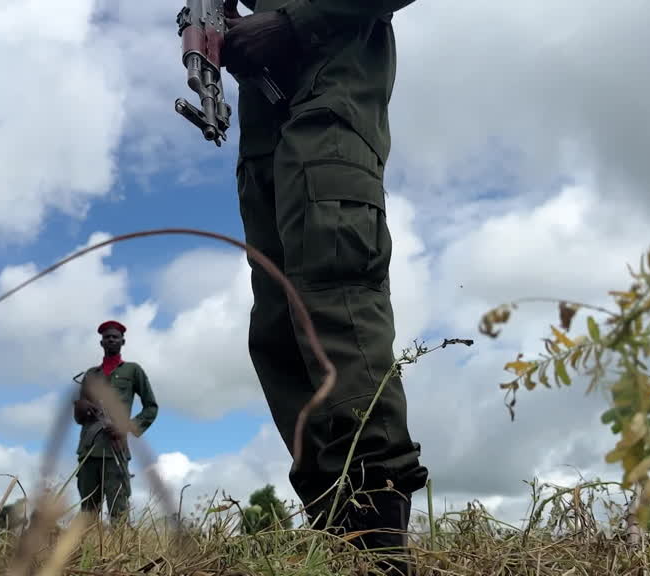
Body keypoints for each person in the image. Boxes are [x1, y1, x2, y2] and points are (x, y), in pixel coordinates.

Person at [221, 1, 427, 573]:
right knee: (279, 335)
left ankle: (379, 550)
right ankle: (339, 546)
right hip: (266, 147)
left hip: (328, 121)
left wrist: (290, 24)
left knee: (336, 313)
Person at [73, 320, 159, 523]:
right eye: (106, 337)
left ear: (123, 341)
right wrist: (81, 407)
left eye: (115, 337)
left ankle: (120, 555)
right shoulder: (90, 375)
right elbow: (78, 418)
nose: (111, 340)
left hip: (115, 449)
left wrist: (127, 426)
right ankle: (87, 554)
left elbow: (151, 407)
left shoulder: (132, 371)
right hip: (88, 451)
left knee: (118, 512)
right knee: (87, 511)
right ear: (101, 343)